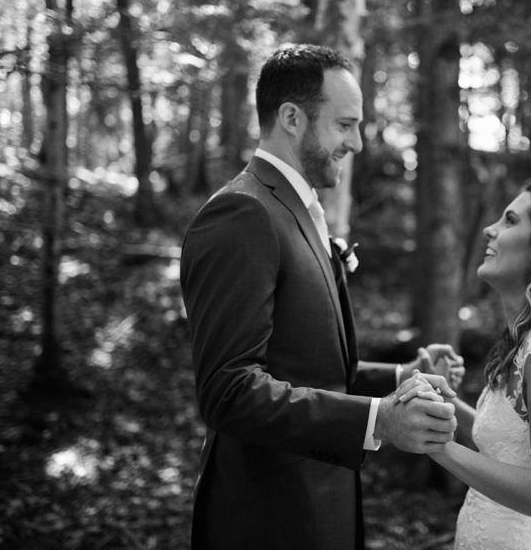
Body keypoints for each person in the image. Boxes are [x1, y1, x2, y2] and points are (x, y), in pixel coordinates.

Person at [180, 44, 462, 550]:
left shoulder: (297, 208)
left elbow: (311, 367)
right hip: (268, 520)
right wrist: (377, 420)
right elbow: (228, 389)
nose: (356, 143)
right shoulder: (242, 214)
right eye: (344, 125)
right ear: (291, 117)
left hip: (321, 508)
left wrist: (404, 376)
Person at [394, 179, 531, 549]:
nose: (489, 229)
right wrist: (441, 402)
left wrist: (440, 447)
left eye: (510, 221)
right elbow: (509, 446)